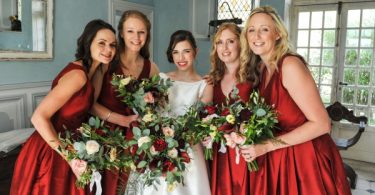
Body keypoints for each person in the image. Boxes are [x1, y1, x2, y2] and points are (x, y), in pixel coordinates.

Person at [239, 6, 351, 195]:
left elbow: (323, 124)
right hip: (279, 159)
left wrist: (266, 146)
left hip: (305, 162)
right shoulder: (263, 69)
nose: (256, 35)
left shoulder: (289, 65)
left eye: (264, 29)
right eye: (251, 29)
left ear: (277, 34)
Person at [10, 19, 117, 195]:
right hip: (51, 146)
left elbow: (90, 105)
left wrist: (103, 68)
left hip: (71, 143)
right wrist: (70, 157)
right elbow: (38, 117)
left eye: (113, 45)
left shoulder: (96, 70)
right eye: (102, 43)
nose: (108, 50)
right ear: (88, 43)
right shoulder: (78, 76)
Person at [126, 30, 213, 195]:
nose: (181, 58)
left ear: (195, 51)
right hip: (159, 144)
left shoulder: (205, 84)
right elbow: (150, 112)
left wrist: (177, 138)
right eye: (176, 52)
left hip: (188, 148)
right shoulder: (162, 79)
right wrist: (148, 101)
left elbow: (199, 120)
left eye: (186, 51)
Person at [90, 10, 159, 195]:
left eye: (141, 32)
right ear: (121, 33)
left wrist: (151, 103)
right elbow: (91, 104)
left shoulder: (151, 68)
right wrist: (120, 119)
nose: (136, 37)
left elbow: (155, 108)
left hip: (136, 140)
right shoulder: (107, 61)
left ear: (147, 35)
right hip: (105, 137)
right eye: (130, 31)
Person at [208, 23, 254, 195]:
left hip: (245, 152)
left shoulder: (253, 76)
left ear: (241, 44)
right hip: (219, 152)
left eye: (230, 41)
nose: (224, 48)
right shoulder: (214, 79)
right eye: (220, 42)